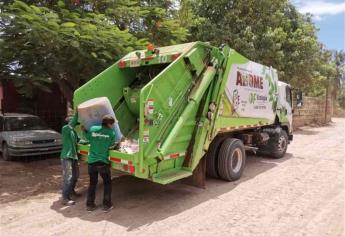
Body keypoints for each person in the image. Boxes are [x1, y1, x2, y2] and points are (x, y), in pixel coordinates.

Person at [83, 115, 117, 212]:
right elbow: (111, 145)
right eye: (112, 124)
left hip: (92, 162)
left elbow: (88, 137)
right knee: (107, 183)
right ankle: (106, 205)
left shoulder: (93, 129)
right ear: (109, 124)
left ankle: (90, 205)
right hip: (103, 162)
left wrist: (84, 130)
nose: (112, 126)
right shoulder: (111, 133)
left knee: (92, 183)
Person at [60, 112, 81, 206]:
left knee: (75, 176)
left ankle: (71, 191)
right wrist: (77, 112)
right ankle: (65, 198)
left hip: (73, 157)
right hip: (67, 157)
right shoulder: (65, 129)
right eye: (74, 123)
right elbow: (73, 123)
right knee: (68, 177)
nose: (75, 125)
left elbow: (79, 141)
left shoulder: (74, 132)